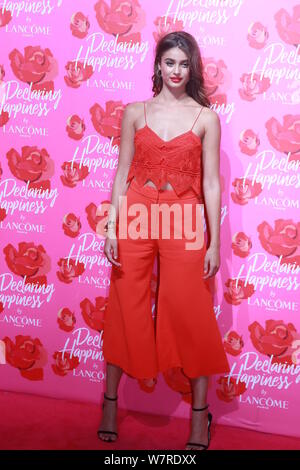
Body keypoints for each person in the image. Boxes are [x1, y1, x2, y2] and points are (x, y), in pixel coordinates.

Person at [97, 31, 230, 451]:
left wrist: (212, 242)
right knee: (125, 304)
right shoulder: (135, 112)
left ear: (193, 69)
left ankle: (198, 417)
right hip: (136, 211)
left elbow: (211, 182)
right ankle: (110, 404)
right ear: (157, 65)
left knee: (191, 313)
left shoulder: (205, 117)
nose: (176, 71)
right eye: (169, 62)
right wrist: (112, 225)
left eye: (184, 64)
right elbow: (121, 174)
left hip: (186, 218)